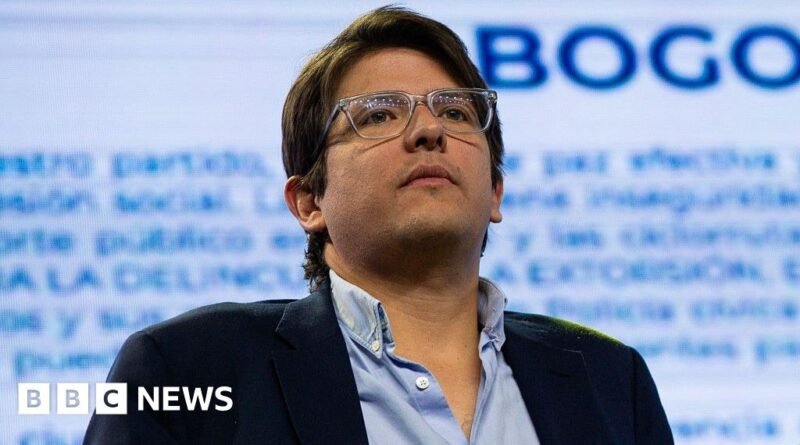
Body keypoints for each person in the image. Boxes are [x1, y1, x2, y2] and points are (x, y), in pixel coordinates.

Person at [84, 6, 674, 445]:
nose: (429, 131)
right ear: (308, 201)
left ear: (495, 192)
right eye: (380, 115)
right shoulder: (186, 367)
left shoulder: (610, 380)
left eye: (455, 111)